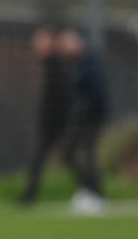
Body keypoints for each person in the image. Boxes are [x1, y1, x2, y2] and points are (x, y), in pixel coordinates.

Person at [18, 26, 74, 205]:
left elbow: (63, 95)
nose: (35, 47)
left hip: (56, 124)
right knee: (49, 159)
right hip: (53, 123)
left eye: (39, 43)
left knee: (66, 157)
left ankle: (92, 192)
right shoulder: (51, 64)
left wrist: (59, 120)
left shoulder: (57, 65)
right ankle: (29, 196)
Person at [58, 29, 108, 214]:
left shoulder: (90, 62)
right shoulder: (74, 64)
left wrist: (92, 113)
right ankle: (86, 190)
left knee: (88, 155)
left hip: (92, 117)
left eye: (68, 44)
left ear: (77, 42)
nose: (66, 49)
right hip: (79, 117)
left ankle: (96, 196)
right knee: (68, 153)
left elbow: (97, 93)